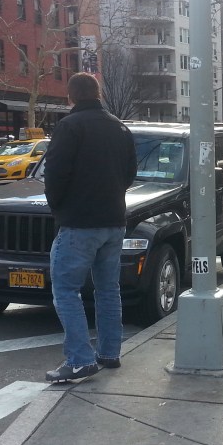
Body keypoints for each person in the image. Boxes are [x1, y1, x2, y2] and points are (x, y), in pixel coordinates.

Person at [43, 72, 137, 383]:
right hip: (114, 221)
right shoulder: (120, 127)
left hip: (79, 222)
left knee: (66, 290)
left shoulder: (69, 127)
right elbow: (130, 174)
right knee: (108, 290)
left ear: (71, 96)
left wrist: (59, 208)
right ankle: (110, 352)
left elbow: (54, 174)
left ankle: (80, 360)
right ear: (99, 94)